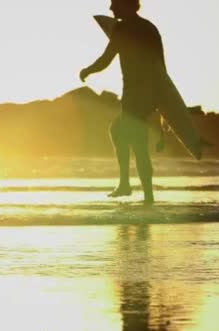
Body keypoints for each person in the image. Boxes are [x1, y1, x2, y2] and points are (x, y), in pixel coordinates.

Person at [80, 0, 166, 205]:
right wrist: (160, 100)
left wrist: (88, 71)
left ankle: (137, 192)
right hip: (149, 92)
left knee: (132, 141)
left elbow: (106, 58)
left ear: (126, 5)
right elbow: (161, 65)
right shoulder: (149, 28)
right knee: (125, 134)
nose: (110, 9)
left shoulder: (122, 29)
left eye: (114, 4)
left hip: (134, 94)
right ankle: (141, 193)